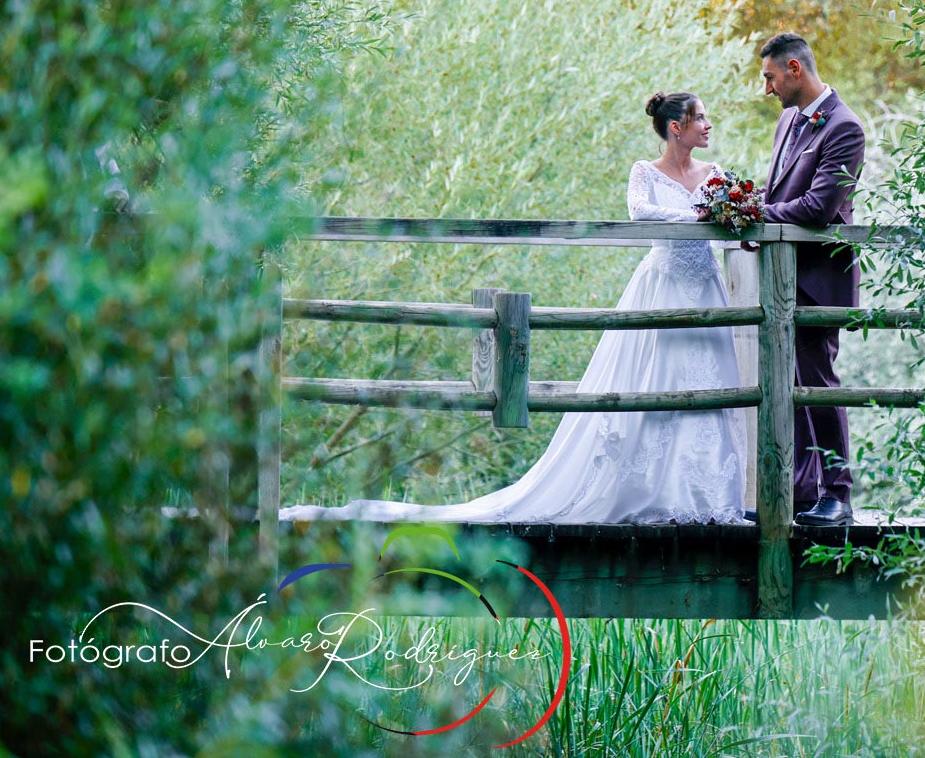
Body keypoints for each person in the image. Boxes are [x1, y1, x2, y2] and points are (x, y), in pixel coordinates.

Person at [279, 92, 748, 525]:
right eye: (699, 117)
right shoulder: (645, 171)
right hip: (662, 285)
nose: (708, 125)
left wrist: (733, 215)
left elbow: (734, 225)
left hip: (705, 287)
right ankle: (647, 492)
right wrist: (696, 215)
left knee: (707, 385)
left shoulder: (715, 174)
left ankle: (702, 497)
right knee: (655, 381)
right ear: (674, 127)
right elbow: (639, 212)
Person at [758, 32, 865, 527]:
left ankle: (838, 494)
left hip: (819, 278)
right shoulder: (787, 122)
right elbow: (780, 190)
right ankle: (802, 492)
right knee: (791, 384)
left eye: (771, 77)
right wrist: (747, 205)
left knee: (818, 384)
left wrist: (754, 216)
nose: (768, 89)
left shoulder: (844, 128)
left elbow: (819, 209)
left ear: (795, 70)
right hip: (783, 278)